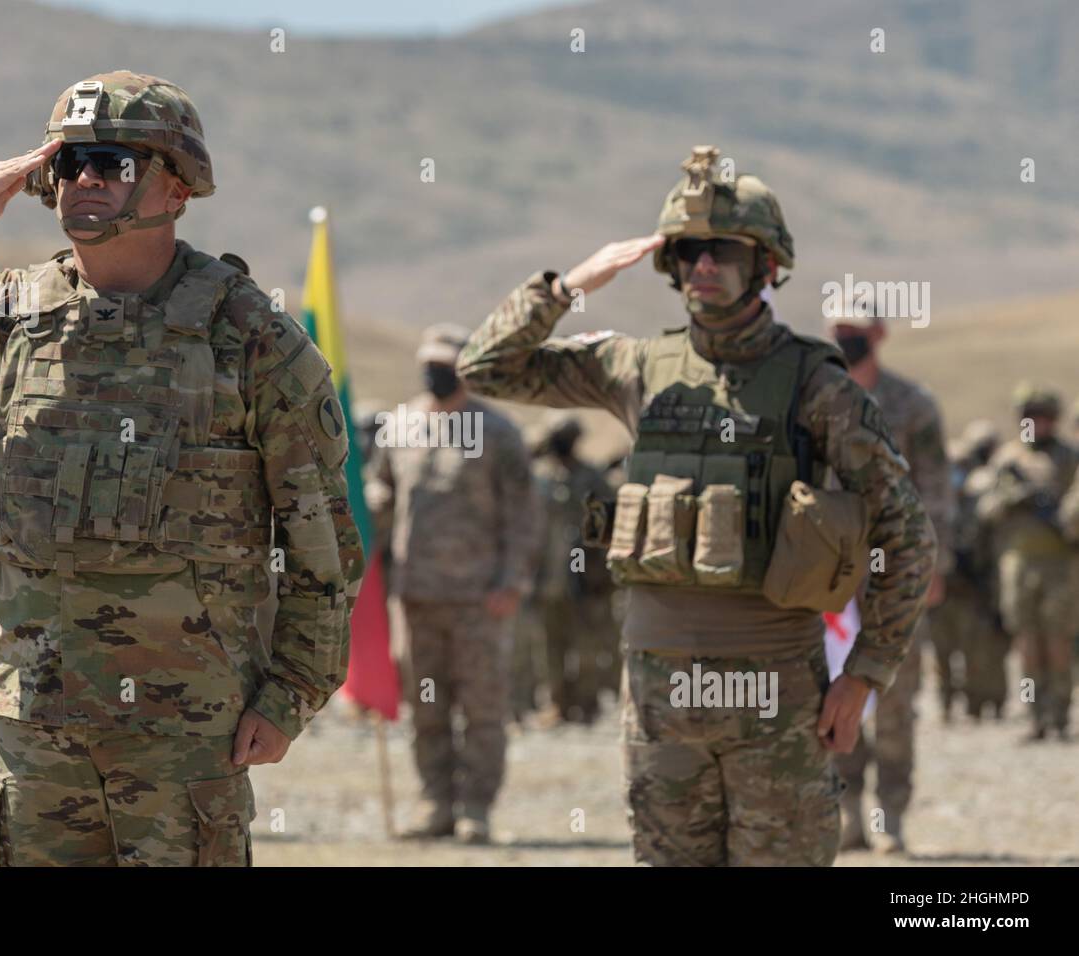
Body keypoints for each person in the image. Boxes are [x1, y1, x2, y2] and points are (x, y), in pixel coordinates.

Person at [0, 71, 363, 866]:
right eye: (68, 164)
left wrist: (290, 697)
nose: (86, 180)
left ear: (177, 188)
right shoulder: (8, 319)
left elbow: (322, 553)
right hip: (40, 727)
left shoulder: (252, 340)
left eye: (115, 162)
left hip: (185, 736)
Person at [457, 146, 935, 866]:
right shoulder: (638, 367)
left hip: (776, 689)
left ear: (766, 265)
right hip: (659, 693)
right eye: (687, 251)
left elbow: (905, 532)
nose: (702, 265)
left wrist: (867, 672)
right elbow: (486, 367)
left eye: (722, 250)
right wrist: (569, 287)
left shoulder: (815, 384)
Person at [366, 324, 536, 844]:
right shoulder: (400, 425)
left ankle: (477, 809)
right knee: (427, 707)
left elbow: (524, 516)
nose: (432, 371)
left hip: (480, 598)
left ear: (466, 369)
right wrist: (365, 502)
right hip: (416, 596)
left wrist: (512, 581)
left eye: (443, 362)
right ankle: (435, 803)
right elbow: (381, 489)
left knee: (483, 709)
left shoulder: (499, 433)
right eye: (427, 361)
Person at [827, 309, 954, 854]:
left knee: (897, 696)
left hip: (896, 571)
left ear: (878, 336)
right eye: (838, 330)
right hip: (831, 575)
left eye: (855, 331)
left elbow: (935, 489)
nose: (845, 339)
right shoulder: (817, 397)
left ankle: (892, 813)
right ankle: (846, 809)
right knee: (833, 692)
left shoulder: (912, 404)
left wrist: (933, 566)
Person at [976, 384, 1079, 741]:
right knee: (1027, 648)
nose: (1038, 423)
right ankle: (1034, 716)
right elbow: (984, 509)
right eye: (1031, 416)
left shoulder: (1070, 458)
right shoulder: (1008, 460)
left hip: (1061, 566)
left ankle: (1060, 715)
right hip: (1018, 566)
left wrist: (1063, 515)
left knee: (1058, 644)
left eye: (1045, 417)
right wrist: (1012, 500)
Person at [531, 415, 618, 725]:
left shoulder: (591, 479)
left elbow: (608, 525)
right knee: (550, 646)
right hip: (548, 579)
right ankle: (557, 703)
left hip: (584, 579)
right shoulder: (540, 478)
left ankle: (586, 703)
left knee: (586, 644)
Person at [929, 420, 1008, 721]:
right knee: (942, 653)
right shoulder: (935, 506)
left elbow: (987, 546)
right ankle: (947, 705)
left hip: (971, 590)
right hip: (942, 590)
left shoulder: (980, 500)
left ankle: (979, 706)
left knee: (976, 651)